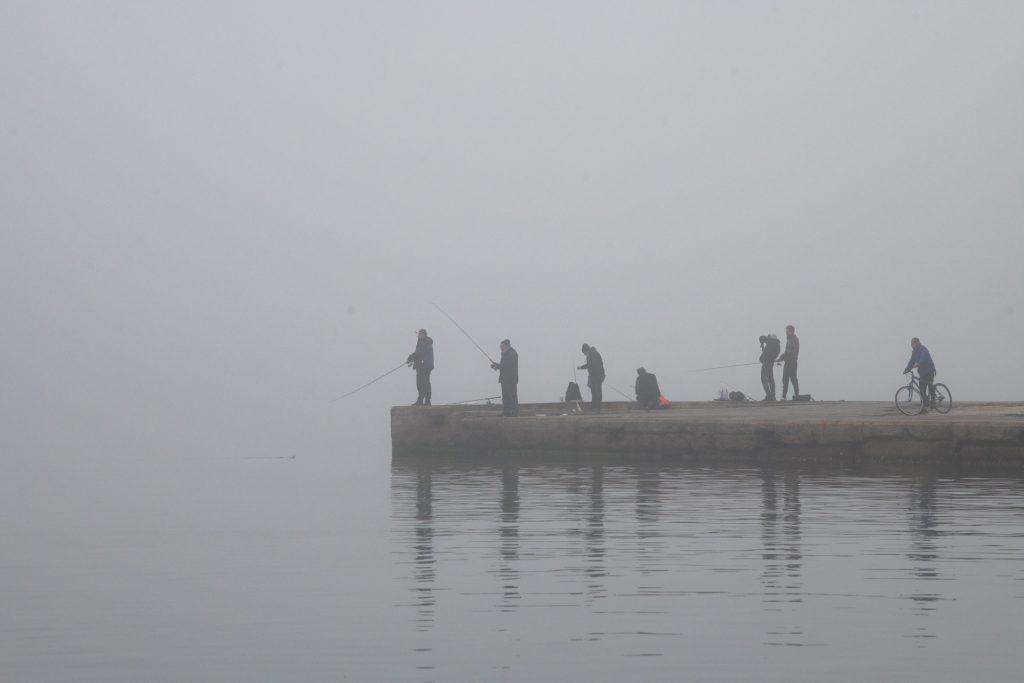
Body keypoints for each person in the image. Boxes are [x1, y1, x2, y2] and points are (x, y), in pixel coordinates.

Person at [903, 337, 937, 413]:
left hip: (929, 371)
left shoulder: (923, 349)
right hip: (922, 373)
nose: (911, 345)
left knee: (930, 386)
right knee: (922, 390)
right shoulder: (914, 352)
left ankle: (933, 402)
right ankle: (923, 408)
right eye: (911, 344)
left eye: (912, 343)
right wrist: (907, 369)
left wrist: (918, 363)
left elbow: (923, 359)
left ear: (917, 342)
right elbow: (911, 361)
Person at [490, 339, 519, 417]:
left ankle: (514, 413)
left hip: (510, 379)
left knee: (512, 396)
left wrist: (498, 366)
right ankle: (506, 412)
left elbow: (507, 366)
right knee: (505, 396)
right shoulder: (506, 354)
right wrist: (496, 365)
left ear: (506, 346)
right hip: (505, 379)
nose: (500, 348)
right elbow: (503, 366)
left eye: (501, 346)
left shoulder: (512, 354)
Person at [406, 328, 434, 406]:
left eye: (421, 334)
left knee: (425, 383)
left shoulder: (426, 342)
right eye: (419, 334)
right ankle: (420, 400)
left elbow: (420, 353)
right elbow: (418, 353)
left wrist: (411, 357)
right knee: (419, 383)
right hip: (420, 366)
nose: (419, 335)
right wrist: (411, 358)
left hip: (425, 366)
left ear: (425, 335)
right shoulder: (420, 342)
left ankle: (427, 400)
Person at [578, 343, 606, 411]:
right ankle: (594, 406)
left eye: (584, 353)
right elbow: (590, 365)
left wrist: (582, 367)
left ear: (586, 350)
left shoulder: (593, 354)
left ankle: (597, 407)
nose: (584, 355)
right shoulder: (591, 353)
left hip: (597, 376)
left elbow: (591, 365)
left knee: (597, 392)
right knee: (594, 392)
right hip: (594, 376)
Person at [776, 325, 800, 400]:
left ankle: (785, 396)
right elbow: (788, 352)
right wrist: (781, 358)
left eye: (787, 331)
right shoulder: (792, 339)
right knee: (792, 379)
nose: (786, 332)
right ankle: (795, 395)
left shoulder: (792, 339)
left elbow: (788, 352)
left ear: (791, 331)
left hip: (790, 362)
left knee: (787, 379)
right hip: (792, 362)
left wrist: (780, 358)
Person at [758, 334, 781, 401]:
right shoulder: (775, 343)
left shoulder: (770, 343)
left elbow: (765, 354)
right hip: (771, 362)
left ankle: (768, 395)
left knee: (763, 378)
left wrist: (762, 358)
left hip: (767, 363)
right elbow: (768, 353)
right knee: (770, 378)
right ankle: (772, 396)